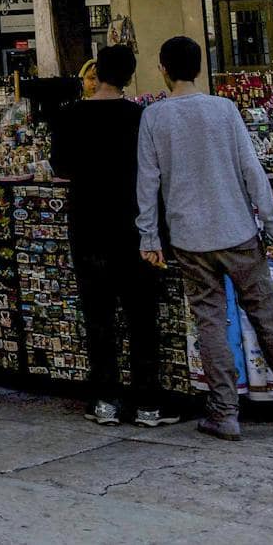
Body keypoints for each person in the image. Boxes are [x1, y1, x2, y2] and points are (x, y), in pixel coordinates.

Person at [137, 36, 273, 439]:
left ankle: (224, 412)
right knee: (267, 318)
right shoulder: (224, 109)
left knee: (210, 322)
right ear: (199, 68)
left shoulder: (154, 117)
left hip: (190, 238)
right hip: (239, 231)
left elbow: (147, 181)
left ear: (163, 69)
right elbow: (251, 172)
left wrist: (148, 237)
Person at [49, 45, 175, 427]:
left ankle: (105, 400)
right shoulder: (142, 117)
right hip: (135, 225)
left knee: (98, 316)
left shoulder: (69, 115)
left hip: (88, 225)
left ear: (97, 73)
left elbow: (60, 166)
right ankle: (148, 403)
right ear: (130, 76)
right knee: (142, 317)